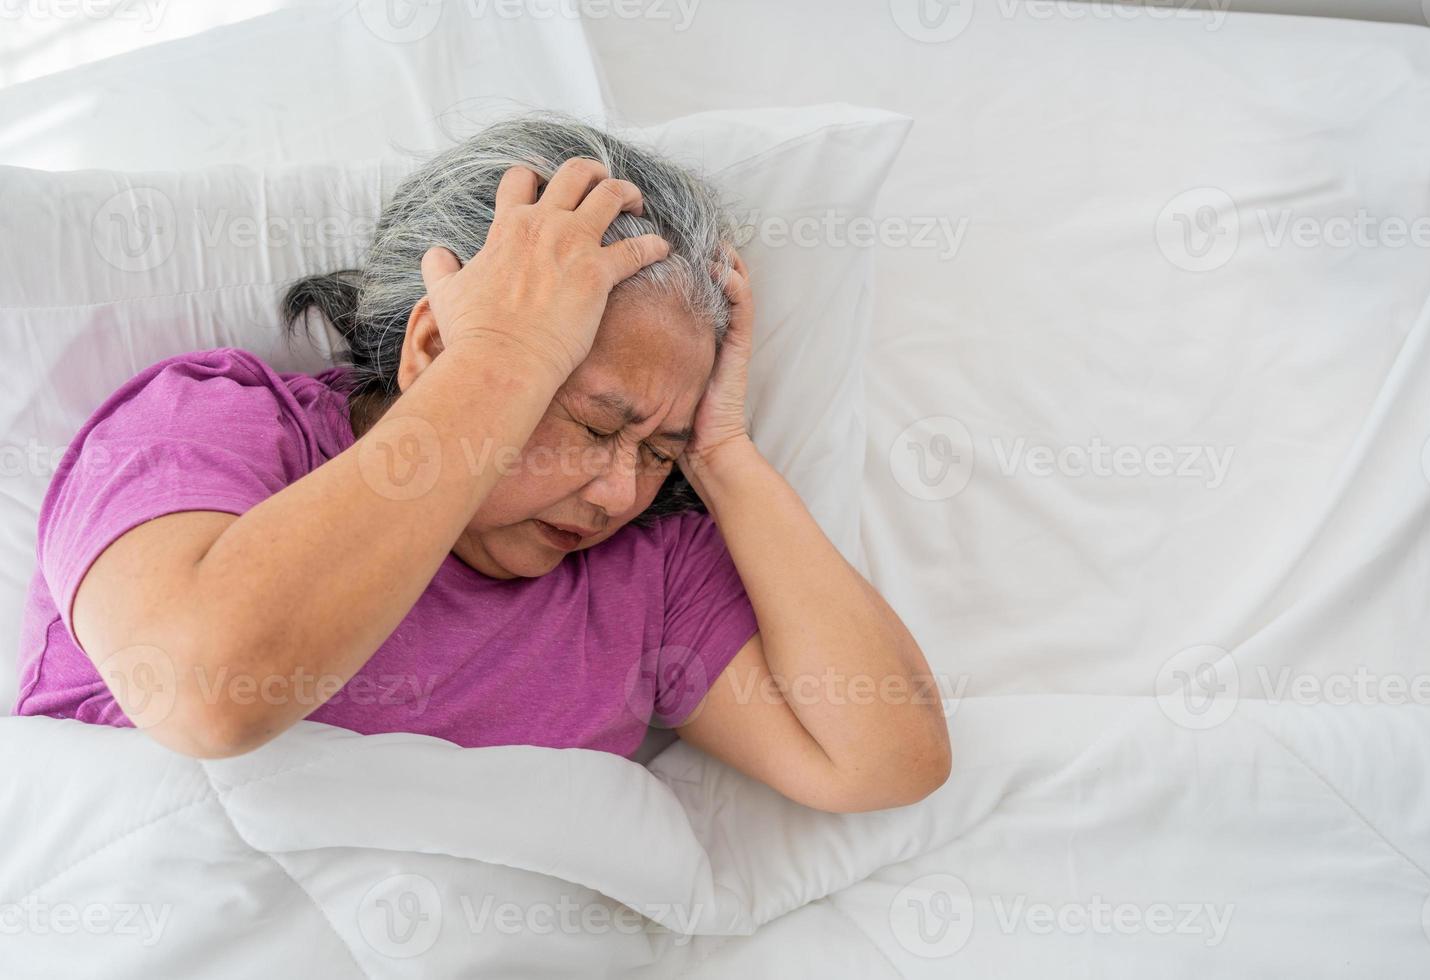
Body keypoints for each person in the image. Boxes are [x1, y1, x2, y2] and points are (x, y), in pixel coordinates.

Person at [14, 115, 950, 813]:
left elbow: (887, 760)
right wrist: (501, 362)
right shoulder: (217, 428)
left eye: (656, 451)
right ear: (430, 348)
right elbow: (204, 697)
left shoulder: (647, 575)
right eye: (593, 427)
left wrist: (723, 454)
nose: (621, 492)